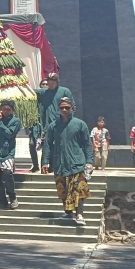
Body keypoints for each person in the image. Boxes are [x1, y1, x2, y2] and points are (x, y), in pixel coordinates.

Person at [42, 97, 94, 227]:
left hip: (77, 162)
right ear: (58, 109)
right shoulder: (53, 126)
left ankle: (80, 214)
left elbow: (88, 144)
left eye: (67, 107)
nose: (64, 110)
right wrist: (45, 161)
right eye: (62, 108)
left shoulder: (80, 124)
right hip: (60, 163)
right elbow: (48, 144)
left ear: (72, 108)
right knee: (62, 189)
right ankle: (68, 211)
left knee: (79, 189)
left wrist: (89, 161)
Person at [31, 73, 74, 173]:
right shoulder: (44, 92)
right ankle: (45, 166)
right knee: (47, 145)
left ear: (57, 82)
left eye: (52, 82)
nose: (50, 84)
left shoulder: (65, 91)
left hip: (62, 123)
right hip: (48, 125)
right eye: (49, 82)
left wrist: (69, 121)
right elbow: (30, 91)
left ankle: (61, 166)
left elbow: (73, 106)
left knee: (61, 144)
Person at [0, 101, 22, 210]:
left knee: (7, 174)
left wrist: (1, 123)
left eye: (8, 109)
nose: (6, 111)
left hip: (8, 153)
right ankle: (2, 202)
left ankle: (12, 197)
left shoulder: (15, 121)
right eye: (4, 109)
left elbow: (9, 134)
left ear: (12, 110)